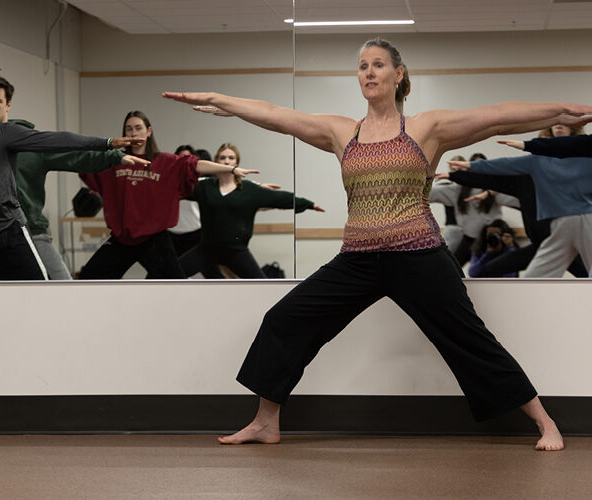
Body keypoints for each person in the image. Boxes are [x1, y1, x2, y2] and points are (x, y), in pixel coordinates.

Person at [163, 37, 592, 450]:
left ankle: (543, 420)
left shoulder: (426, 128)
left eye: (378, 65)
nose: (369, 72)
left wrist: (564, 111)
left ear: (398, 74)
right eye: (363, 66)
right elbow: (275, 114)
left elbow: (498, 115)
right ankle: (265, 422)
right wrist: (224, 101)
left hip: (420, 255)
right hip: (358, 259)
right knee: (285, 320)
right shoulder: (341, 132)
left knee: (469, 340)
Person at [0, 51, 139, 281]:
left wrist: (107, 144)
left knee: (37, 295)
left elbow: (58, 140)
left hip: (6, 235)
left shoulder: (5, 134)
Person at [0, 75, 149, 279]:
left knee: (63, 287)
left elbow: (75, 153)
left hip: (31, 231)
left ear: (8, 104)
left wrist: (114, 156)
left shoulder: (31, 145)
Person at [78, 111, 258, 279]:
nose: (134, 133)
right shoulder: (114, 161)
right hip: (122, 239)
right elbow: (83, 161)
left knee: (174, 285)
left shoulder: (165, 162)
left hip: (154, 240)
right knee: (88, 278)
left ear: (149, 131)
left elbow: (196, 165)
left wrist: (231, 169)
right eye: (129, 129)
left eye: (138, 128)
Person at [449, 137, 592, 277]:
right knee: (491, 272)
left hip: (564, 233)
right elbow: (496, 173)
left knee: (583, 273)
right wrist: (456, 175)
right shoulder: (526, 176)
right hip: (544, 243)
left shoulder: (569, 173)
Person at [178, 142, 324, 279]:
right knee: (172, 274)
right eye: (222, 158)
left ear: (236, 163)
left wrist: (308, 204)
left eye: (231, 158)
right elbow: (176, 190)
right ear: (216, 161)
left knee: (262, 284)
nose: (226, 161)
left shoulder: (249, 189)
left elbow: (280, 197)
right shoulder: (205, 187)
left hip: (236, 251)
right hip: (206, 249)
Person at [430, 153, 520, 267]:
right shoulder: (458, 190)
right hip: (469, 237)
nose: (478, 171)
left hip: (489, 238)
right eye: (475, 166)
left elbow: (516, 198)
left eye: (482, 167)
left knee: (494, 269)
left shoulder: (494, 189)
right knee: (453, 267)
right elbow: (430, 193)